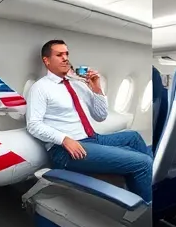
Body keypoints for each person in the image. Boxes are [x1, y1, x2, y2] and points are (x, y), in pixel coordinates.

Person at [26, 39, 154, 204]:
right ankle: (147, 210)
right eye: (59, 55)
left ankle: (149, 184)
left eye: (66, 54)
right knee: (143, 162)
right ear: (47, 60)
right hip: (65, 150)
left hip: (92, 138)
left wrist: (96, 88)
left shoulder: (77, 84)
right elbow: (33, 124)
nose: (65, 58)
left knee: (133, 136)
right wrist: (64, 139)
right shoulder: (40, 88)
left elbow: (100, 115)